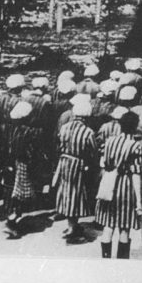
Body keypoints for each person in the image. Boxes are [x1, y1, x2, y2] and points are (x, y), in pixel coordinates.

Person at [95, 111, 142, 259]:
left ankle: (105, 261)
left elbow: (102, 162)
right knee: (124, 227)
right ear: (135, 127)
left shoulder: (109, 141)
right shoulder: (135, 145)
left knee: (108, 226)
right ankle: (122, 264)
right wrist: (139, 202)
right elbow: (136, 174)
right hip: (125, 187)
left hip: (109, 184)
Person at [52, 97, 98, 242]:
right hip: (78, 164)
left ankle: (71, 224)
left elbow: (58, 144)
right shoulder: (88, 132)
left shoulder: (64, 127)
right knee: (76, 195)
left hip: (64, 161)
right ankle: (73, 228)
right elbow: (93, 151)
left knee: (65, 192)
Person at [4, 101, 38, 238]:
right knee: (20, 194)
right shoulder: (28, 131)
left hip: (12, 163)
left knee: (14, 191)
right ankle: (12, 221)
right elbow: (30, 150)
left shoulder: (11, 129)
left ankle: (14, 218)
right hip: (23, 164)